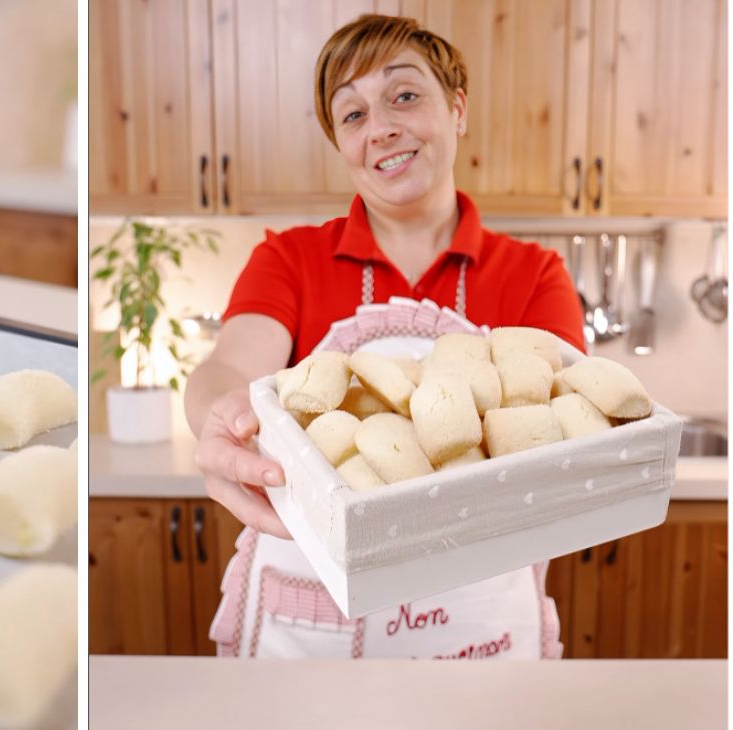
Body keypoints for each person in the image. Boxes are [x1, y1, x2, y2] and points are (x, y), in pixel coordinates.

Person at [185, 14, 585, 659]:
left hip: (476, 621)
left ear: (457, 109)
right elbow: (227, 370)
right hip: (311, 628)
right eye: (352, 115)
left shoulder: (534, 276)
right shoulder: (290, 260)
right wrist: (220, 418)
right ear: (340, 142)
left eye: (404, 95)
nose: (381, 129)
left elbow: (563, 424)